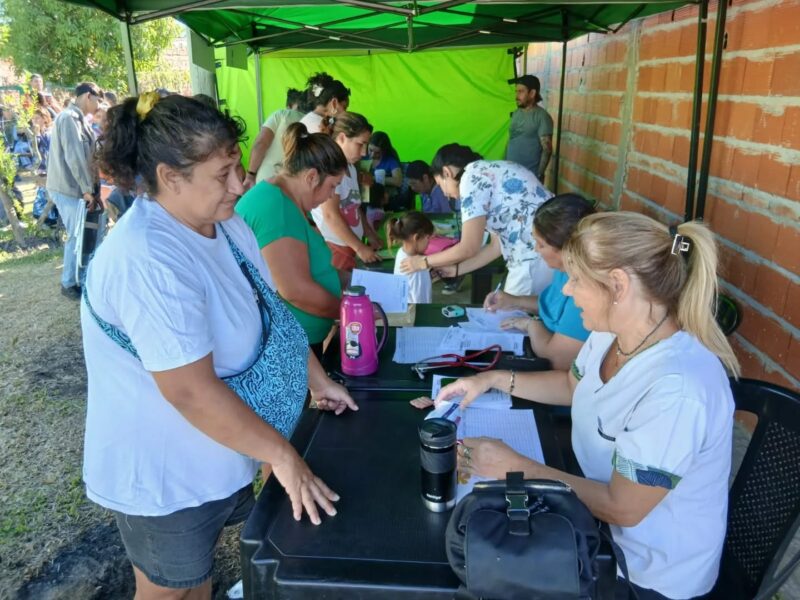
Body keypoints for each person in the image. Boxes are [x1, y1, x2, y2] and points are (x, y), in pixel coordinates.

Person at [84, 92, 358, 600]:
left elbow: (270, 313)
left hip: (221, 450)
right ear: (170, 177)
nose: (240, 184)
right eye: (222, 175)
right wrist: (282, 454)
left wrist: (318, 380)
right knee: (171, 592)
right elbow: (190, 391)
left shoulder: (225, 224)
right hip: (165, 473)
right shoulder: (147, 257)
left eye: (238, 165)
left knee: (199, 583)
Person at [434, 213, 739, 600]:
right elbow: (571, 385)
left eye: (575, 280)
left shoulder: (678, 389)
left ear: (617, 285)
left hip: (643, 576)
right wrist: (491, 379)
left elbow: (624, 508)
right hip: (594, 529)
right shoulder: (613, 332)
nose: (566, 291)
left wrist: (516, 468)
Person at [237, 123, 347, 359]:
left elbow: (309, 267)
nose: (330, 195)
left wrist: (350, 282)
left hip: (297, 342)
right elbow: (295, 290)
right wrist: (350, 311)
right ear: (311, 177)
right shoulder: (277, 208)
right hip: (286, 348)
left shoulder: (287, 201)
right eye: (332, 186)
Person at [401, 143, 554, 296]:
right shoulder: (488, 172)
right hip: (545, 252)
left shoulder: (471, 178)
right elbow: (496, 246)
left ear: (446, 173)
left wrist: (423, 262)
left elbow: (468, 247)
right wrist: (457, 270)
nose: (446, 195)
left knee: (510, 314)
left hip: (533, 257)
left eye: (441, 185)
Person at [483, 193, 595, 370]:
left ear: (566, 249)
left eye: (541, 244)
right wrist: (514, 301)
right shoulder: (563, 270)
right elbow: (550, 305)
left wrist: (531, 325)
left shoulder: (587, 291)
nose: (536, 250)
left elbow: (556, 360)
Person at [47, 81, 104, 299]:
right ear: (88, 96)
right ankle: (69, 283)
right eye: (98, 100)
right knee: (77, 235)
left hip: (77, 188)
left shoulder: (79, 119)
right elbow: (75, 158)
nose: (99, 105)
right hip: (68, 188)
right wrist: (88, 189)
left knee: (84, 233)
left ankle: (80, 278)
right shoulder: (69, 119)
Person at [311, 112, 381, 274]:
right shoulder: (330, 169)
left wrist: (369, 234)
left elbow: (354, 206)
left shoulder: (350, 167)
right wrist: (359, 247)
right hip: (335, 249)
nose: (364, 153)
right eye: (360, 144)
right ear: (342, 138)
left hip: (348, 248)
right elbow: (330, 215)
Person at [243, 87, 305, 190]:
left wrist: (250, 175)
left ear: (288, 105)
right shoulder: (312, 122)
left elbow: (261, 144)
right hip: (295, 186)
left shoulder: (281, 114)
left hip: (268, 179)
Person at [506, 75, 554, 183]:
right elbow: (512, 140)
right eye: (516, 91)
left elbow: (547, 149)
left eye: (521, 91)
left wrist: (539, 174)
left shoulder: (542, 116)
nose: (517, 96)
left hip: (529, 177)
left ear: (532, 93)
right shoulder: (516, 113)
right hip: (509, 173)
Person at [389, 211, 434, 304]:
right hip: (417, 314)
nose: (429, 242)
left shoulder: (401, 252)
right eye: (428, 238)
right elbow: (420, 303)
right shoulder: (416, 267)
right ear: (416, 237)